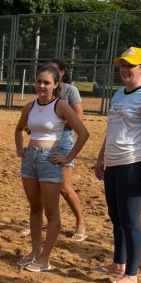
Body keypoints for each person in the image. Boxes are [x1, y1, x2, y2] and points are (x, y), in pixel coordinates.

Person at [94, 47, 141, 283]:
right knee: (116, 217)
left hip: (133, 164)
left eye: (130, 65)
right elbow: (112, 130)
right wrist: (101, 157)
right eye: (122, 65)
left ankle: (132, 276)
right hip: (113, 164)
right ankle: (118, 264)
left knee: (131, 221)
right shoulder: (118, 94)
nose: (124, 69)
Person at [15, 65, 89, 273]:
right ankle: (35, 251)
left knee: (51, 211)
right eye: (39, 81)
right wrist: (20, 148)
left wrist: (68, 157)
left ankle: (45, 258)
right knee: (34, 208)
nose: (41, 86)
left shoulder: (61, 105)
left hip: (50, 160)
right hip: (30, 159)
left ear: (56, 85)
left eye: (46, 82)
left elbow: (83, 133)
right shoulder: (30, 106)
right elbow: (19, 129)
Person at [45, 58, 88, 241]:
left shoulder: (70, 90)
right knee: (45, 185)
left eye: (53, 70)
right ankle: (49, 222)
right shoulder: (45, 90)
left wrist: (55, 120)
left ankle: (80, 222)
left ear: (62, 73)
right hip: (44, 140)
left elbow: (78, 119)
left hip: (62, 140)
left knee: (64, 187)